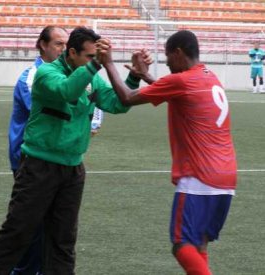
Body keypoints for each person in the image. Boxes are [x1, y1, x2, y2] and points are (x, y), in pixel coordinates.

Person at [0, 26, 152, 275]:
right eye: (90, 57)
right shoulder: (47, 73)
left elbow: (117, 104)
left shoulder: (90, 77)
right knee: (17, 232)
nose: (95, 62)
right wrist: (96, 66)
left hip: (72, 169)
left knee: (63, 240)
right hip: (39, 167)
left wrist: (133, 77)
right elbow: (66, 91)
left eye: (96, 57)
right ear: (72, 53)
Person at [96, 30, 237, 275]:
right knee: (199, 242)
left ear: (179, 53)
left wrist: (108, 63)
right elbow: (177, 93)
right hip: (226, 176)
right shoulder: (210, 77)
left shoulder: (181, 81)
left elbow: (127, 98)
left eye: (168, 57)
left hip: (198, 176)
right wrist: (145, 76)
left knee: (182, 245)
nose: (168, 63)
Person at [8, 26, 68, 275]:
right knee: (28, 224)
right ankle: (21, 271)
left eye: (66, 44)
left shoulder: (64, 75)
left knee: (52, 223)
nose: (63, 49)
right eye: (57, 44)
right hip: (29, 157)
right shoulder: (32, 77)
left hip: (53, 157)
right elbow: (51, 108)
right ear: (42, 45)